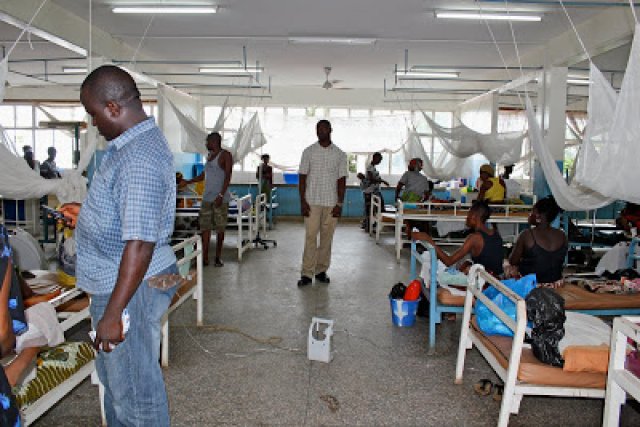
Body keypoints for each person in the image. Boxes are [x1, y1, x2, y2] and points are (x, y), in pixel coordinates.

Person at [60, 65, 178, 426]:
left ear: (113, 108)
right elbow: (129, 212)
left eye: (94, 114)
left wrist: (114, 313)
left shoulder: (137, 158)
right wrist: (90, 214)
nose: (94, 123)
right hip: (123, 282)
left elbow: (140, 243)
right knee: (118, 386)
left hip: (129, 288)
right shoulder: (132, 145)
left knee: (135, 397)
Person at [297, 120, 347, 287]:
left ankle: (320, 271)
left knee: (326, 238)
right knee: (310, 237)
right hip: (312, 202)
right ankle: (306, 273)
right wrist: (302, 201)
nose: (320, 131)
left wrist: (339, 204)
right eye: (318, 129)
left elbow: (341, 180)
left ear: (330, 130)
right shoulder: (308, 152)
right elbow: (302, 177)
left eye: (324, 128)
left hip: (331, 203)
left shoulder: (340, 154)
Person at [182, 132, 232, 267]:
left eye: (207, 141)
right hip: (207, 198)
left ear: (215, 141)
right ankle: (204, 257)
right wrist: (188, 181)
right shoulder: (209, 157)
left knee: (220, 228)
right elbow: (203, 176)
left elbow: (228, 176)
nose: (206, 144)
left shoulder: (225, 155)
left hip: (220, 199)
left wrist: (221, 195)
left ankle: (218, 257)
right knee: (205, 228)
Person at [417, 201, 504, 277]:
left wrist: (429, 239)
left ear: (474, 216)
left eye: (468, 214)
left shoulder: (474, 238)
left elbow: (449, 261)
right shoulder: (495, 233)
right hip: (498, 278)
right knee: (465, 263)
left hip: (486, 282)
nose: (466, 218)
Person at [509, 196, 568, 288]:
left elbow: (513, 261)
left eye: (532, 211)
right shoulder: (562, 235)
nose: (530, 214)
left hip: (532, 285)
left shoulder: (527, 235)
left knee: (508, 267)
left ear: (537, 216)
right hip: (556, 283)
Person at [362, 152, 389, 231]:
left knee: (375, 208)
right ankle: (367, 226)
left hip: (374, 191)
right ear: (374, 158)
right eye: (379, 159)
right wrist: (382, 181)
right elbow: (371, 179)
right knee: (370, 209)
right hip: (369, 191)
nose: (380, 161)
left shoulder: (373, 167)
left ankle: (371, 224)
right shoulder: (370, 167)